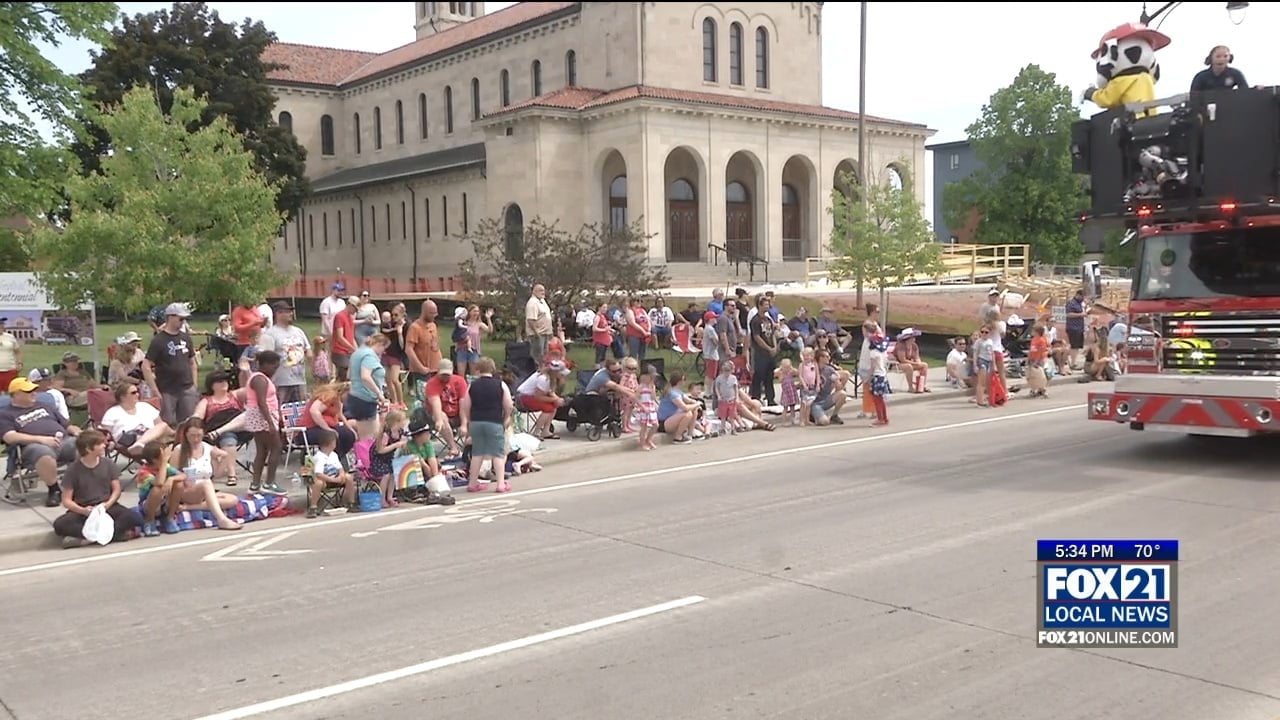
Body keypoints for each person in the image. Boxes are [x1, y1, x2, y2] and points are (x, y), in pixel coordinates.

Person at [52, 430, 142, 548]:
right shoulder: (73, 470)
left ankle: (89, 539)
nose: (104, 446)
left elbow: (116, 490)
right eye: (99, 444)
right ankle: (111, 535)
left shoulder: (108, 464)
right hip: (84, 509)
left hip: (107, 507)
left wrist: (107, 504)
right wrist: (83, 510)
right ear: (89, 449)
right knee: (60, 525)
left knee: (132, 517)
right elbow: (66, 500)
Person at [243, 350, 286, 496]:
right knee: (276, 447)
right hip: (262, 417)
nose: (275, 370)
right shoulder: (260, 379)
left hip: (261, 416)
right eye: (274, 367)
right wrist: (271, 423)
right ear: (265, 364)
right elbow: (262, 402)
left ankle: (255, 484)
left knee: (262, 450)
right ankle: (269, 482)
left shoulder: (260, 378)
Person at [306, 427, 356, 519]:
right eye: (335, 442)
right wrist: (333, 479)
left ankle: (351, 503)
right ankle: (313, 507)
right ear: (330, 444)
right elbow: (318, 474)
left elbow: (340, 468)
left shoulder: (334, 455)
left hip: (335, 477)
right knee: (318, 483)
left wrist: (341, 475)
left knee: (348, 477)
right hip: (325, 480)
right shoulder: (319, 457)